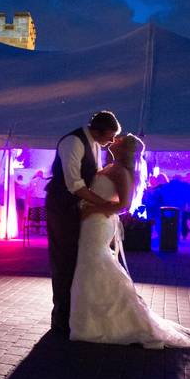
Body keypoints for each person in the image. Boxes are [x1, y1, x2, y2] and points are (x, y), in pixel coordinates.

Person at [70, 134, 190, 349]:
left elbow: (124, 205)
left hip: (100, 222)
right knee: (89, 264)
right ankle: (92, 318)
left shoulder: (121, 172)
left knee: (95, 262)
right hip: (91, 220)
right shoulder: (110, 166)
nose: (113, 141)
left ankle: (110, 320)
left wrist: (93, 209)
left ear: (125, 150)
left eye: (118, 141)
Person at [45, 110, 121, 335]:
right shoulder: (73, 142)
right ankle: (61, 318)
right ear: (98, 129)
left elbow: (92, 177)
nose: (112, 140)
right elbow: (74, 184)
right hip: (61, 207)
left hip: (79, 208)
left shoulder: (95, 144)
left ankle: (75, 315)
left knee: (79, 260)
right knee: (64, 260)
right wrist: (104, 204)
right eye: (110, 134)